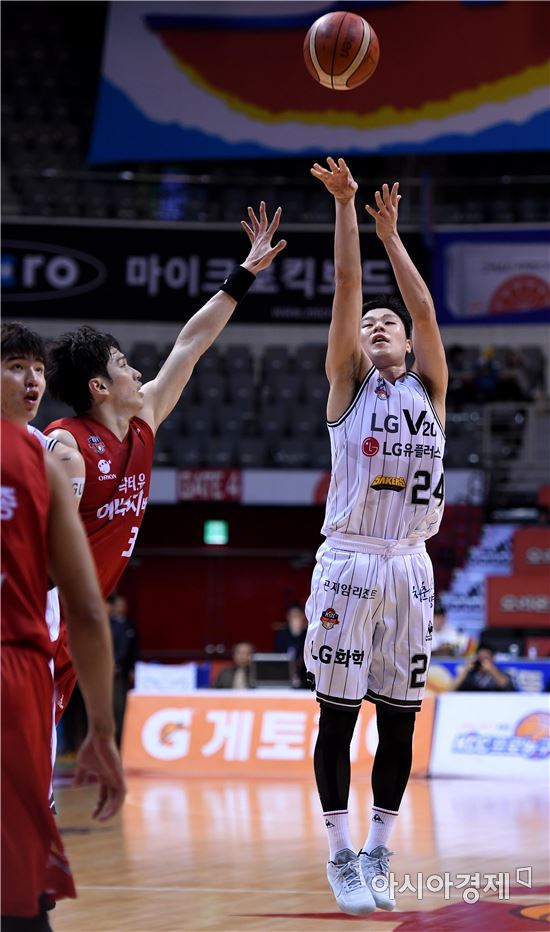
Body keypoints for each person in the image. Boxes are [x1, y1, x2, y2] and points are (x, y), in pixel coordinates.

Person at [42, 203, 285, 719]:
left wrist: (242, 277)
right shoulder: (67, 447)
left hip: (75, 620)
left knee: (33, 753)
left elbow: (191, 344)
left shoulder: (144, 418)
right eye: (124, 365)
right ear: (99, 387)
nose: (137, 372)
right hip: (39, 614)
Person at [304, 158, 448, 915]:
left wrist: (394, 237)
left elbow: (424, 312)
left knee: (399, 721)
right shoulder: (348, 386)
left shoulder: (431, 388)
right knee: (336, 715)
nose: (378, 324)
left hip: (412, 568)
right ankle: (339, 856)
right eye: (370, 326)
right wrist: (350, 209)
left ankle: (380, 849)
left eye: (385, 322)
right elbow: (345, 291)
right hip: (351, 561)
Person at [1, 419, 126, 931]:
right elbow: (88, 611)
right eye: (17, 366)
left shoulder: (49, 456)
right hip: (19, 670)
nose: (31, 378)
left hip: (25, 669)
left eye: (36, 366)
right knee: (23, 883)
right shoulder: (46, 458)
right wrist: (102, 730)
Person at [108, 594, 139, 747]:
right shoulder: (106, 624)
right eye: (119, 604)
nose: (121, 607)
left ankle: (119, 743)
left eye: (123, 604)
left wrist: (132, 668)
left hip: (121, 674)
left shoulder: (129, 626)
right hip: (103, 674)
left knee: (119, 708)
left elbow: (133, 650)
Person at [274, 603, 308, 688]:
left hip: (304, 677)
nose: (295, 619)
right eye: (293, 616)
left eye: (298, 616)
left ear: (303, 617)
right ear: (288, 617)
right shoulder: (282, 634)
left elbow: (305, 654)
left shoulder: (307, 633)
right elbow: (279, 654)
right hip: (284, 675)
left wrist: (298, 634)